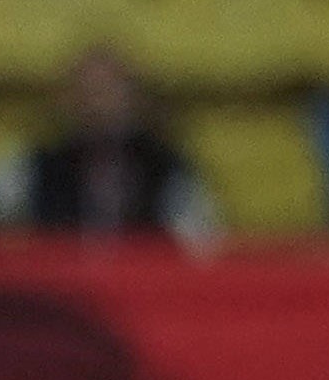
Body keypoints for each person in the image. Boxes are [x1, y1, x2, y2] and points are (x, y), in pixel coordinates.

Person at [13, 48, 216, 242]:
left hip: (139, 275)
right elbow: (5, 250)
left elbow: (203, 248)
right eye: (89, 93)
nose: (98, 106)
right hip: (59, 276)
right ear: (69, 100)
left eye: (109, 91)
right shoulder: (38, 168)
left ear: (133, 99)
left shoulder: (164, 167)